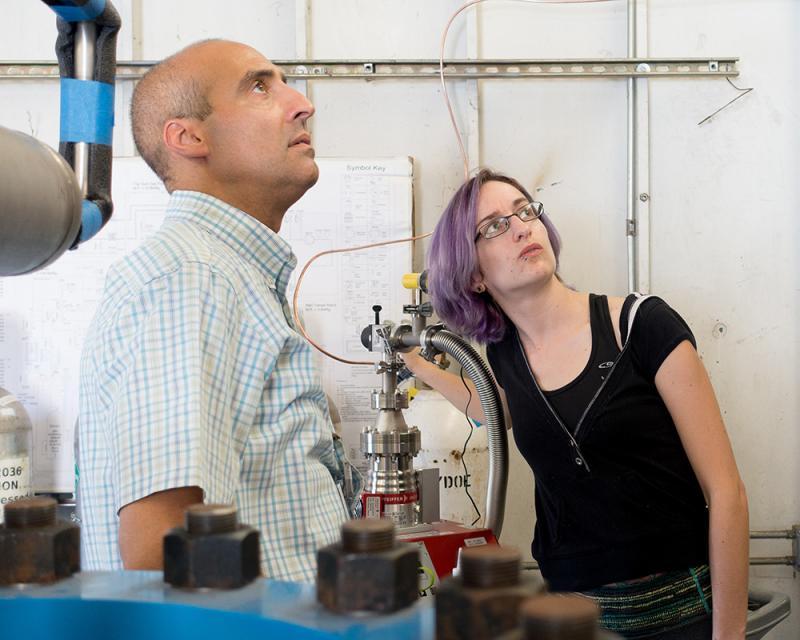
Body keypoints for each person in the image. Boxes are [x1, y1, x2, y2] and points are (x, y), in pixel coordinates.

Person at [401, 169, 749, 638]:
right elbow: (496, 409)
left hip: (681, 614)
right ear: (474, 274)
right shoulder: (504, 354)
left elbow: (726, 492)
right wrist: (419, 367)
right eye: (496, 226)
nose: (522, 226)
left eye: (525, 211)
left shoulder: (641, 326)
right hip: (572, 620)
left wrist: (730, 635)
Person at [78, 39, 349, 581]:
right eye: (258, 86)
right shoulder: (190, 277)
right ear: (188, 137)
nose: (301, 103)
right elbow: (165, 555)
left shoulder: (227, 275)